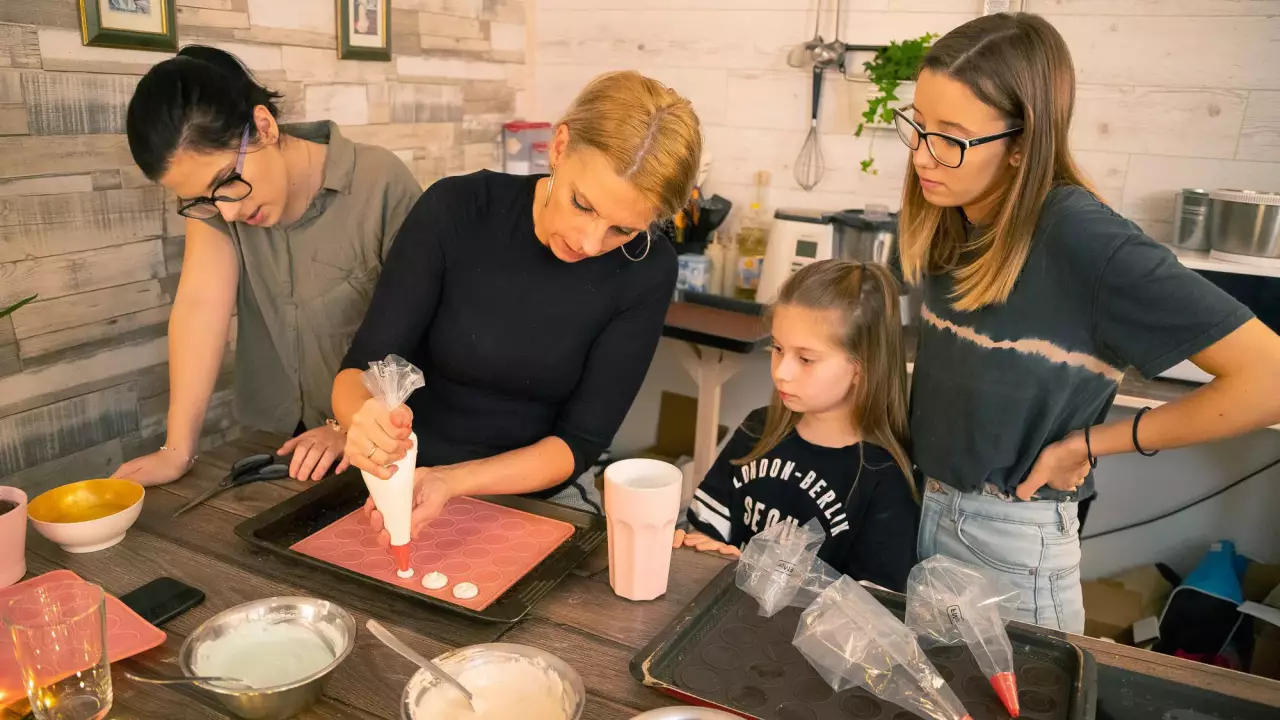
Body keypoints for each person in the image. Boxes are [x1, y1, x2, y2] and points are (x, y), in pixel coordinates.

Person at [898, 13, 1280, 632]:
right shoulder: (954, 212)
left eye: (952, 136)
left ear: (1023, 143)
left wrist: (1092, 443)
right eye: (917, 124)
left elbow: (1270, 378)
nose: (922, 154)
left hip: (1009, 543)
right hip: (922, 509)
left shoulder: (1082, 237)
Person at [335, 71, 701, 538]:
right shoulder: (459, 208)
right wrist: (361, 423)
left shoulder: (648, 269)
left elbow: (579, 443)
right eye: (582, 204)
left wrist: (453, 481)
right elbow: (358, 371)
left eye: (623, 230)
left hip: (537, 500)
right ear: (560, 146)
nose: (588, 243)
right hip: (398, 479)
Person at [112, 46, 422, 486]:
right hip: (271, 442)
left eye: (225, 183)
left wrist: (349, 424)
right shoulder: (218, 208)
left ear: (263, 125)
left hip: (377, 446)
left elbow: (424, 329)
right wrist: (177, 449)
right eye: (202, 199)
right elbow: (202, 308)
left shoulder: (381, 183)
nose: (229, 212)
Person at [675, 260, 920, 592]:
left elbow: (872, 611)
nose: (781, 372)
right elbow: (704, 533)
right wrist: (707, 551)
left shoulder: (885, 478)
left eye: (806, 359)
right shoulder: (757, 429)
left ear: (862, 368)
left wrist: (757, 575)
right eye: (777, 349)